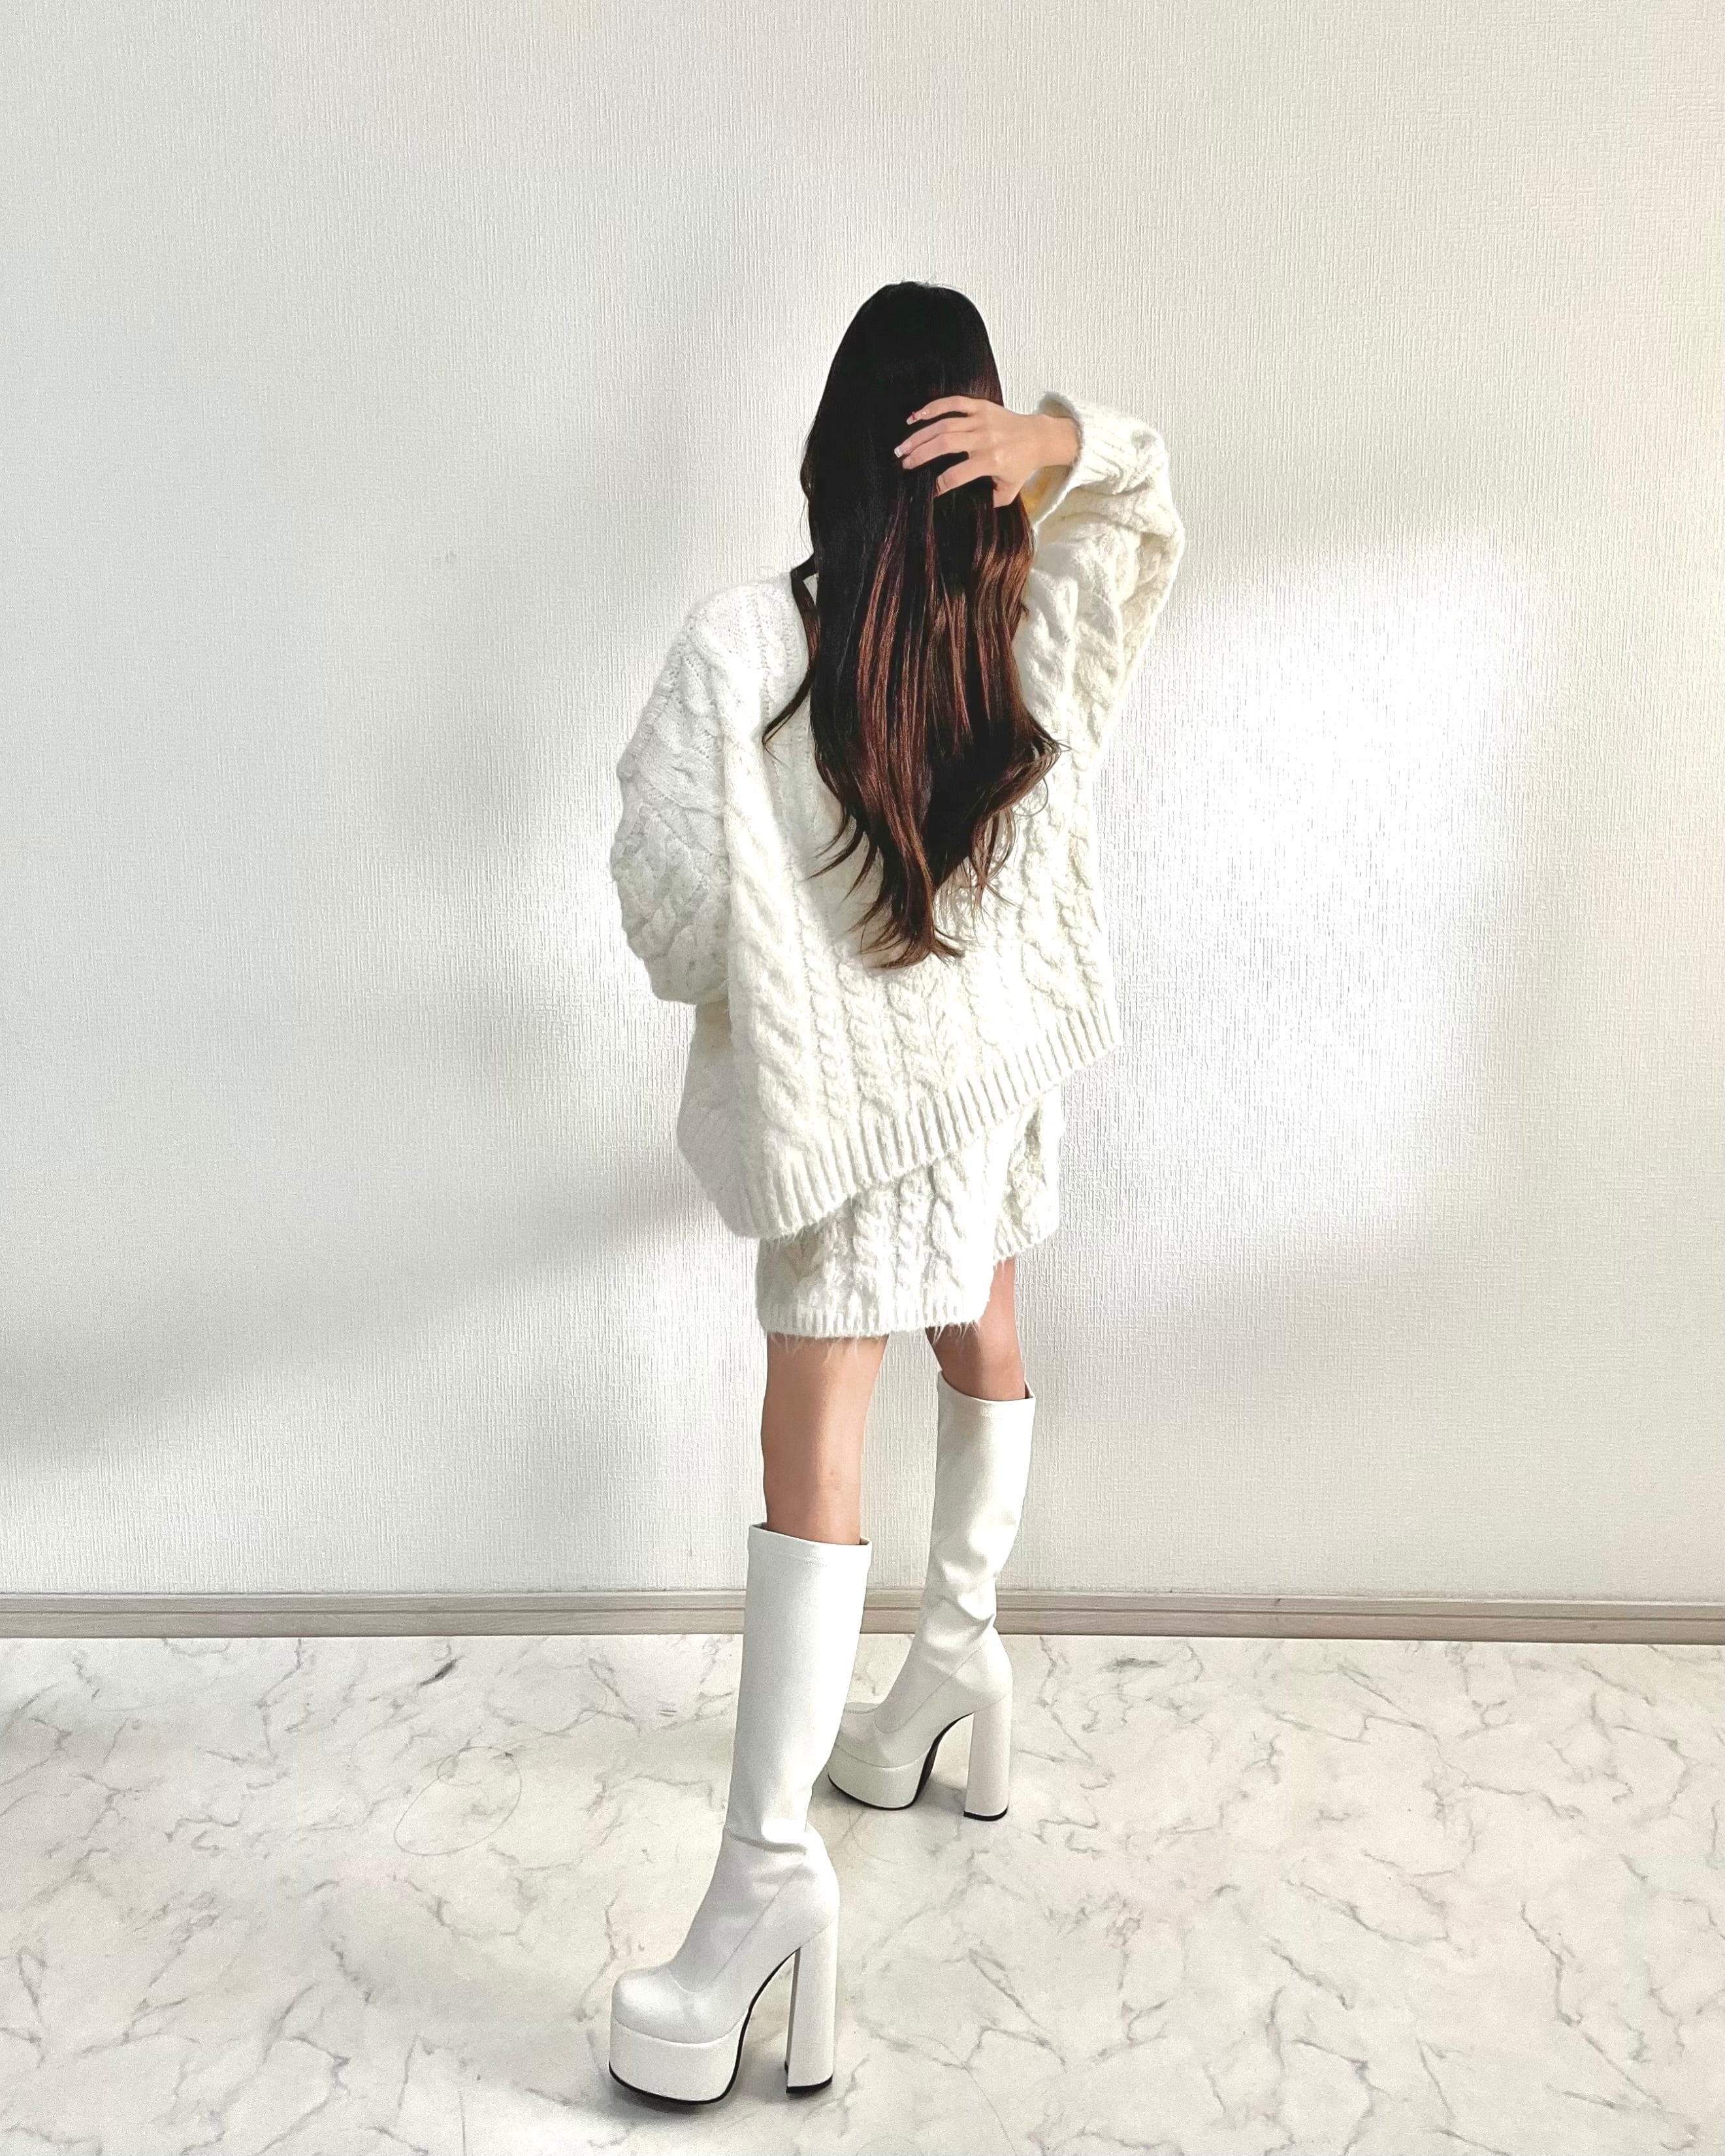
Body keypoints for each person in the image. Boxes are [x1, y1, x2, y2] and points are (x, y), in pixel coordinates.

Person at [604, 281, 1187, 2106]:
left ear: (831, 446)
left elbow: (669, 914)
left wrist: (795, 967)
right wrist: (1064, 448)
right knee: (984, 1325)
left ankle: (766, 1877)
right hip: (990, 1095)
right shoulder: (1031, 633)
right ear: (977, 453)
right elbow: (1149, 506)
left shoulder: (741, 651)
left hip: (850, 1124)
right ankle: (957, 1663)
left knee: (817, 1445)